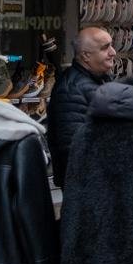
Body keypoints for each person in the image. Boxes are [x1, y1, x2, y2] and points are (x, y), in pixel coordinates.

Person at [48, 25, 114, 189]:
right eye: (105, 48)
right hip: (87, 187)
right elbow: (73, 148)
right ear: (86, 55)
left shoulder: (100, 79)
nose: (113, 52)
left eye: (111, 45)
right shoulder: (71, 89)